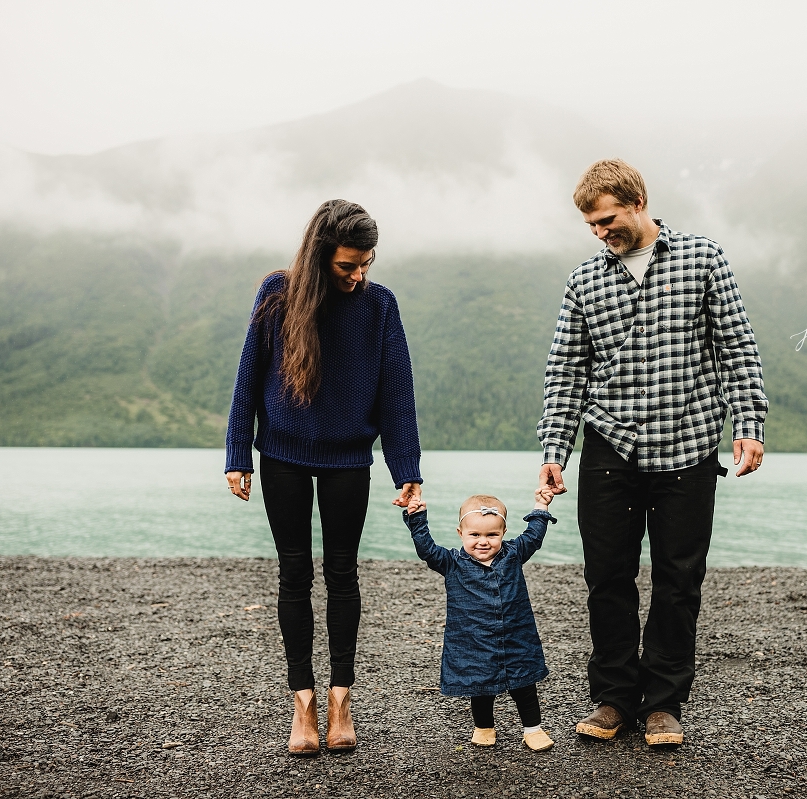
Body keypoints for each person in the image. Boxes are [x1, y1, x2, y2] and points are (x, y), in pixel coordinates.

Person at [537, 159, 768, 747]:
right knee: (606, 577)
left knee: (678, 580)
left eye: (607, 220)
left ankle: (663, 702)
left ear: (637, 202)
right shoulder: (584, 281)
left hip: (688, 444)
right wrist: (555, 449)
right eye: (591, 226)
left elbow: (736, 347)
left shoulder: (703, 258)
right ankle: (614, 697)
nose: (600, 233)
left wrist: (749, 424)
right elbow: (566, 371)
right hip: (608, 447)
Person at [224, 199, 424, 756]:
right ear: (318, 257)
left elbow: (397, 393)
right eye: (346, 266)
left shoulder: (380, 305)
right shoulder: (277, 294)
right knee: (294, 574)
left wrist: (406, 468)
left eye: (366, 264)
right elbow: (248, 377)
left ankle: (340, 699)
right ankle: (303, 702)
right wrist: (238, 454)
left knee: (342, 573)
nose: (358, 276)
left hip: (348, 460)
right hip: (282, 456)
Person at [402, 490, 558, 752]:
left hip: (516, 636)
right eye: (474, 535)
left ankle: (533, 729)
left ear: (503, 532)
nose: (483, 542)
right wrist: (417, 517)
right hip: (473, 640)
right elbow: (427, 549)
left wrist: (541, 505)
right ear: (460, 533)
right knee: (480, 686)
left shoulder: (514, 554)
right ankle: (484, 727)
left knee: (524, 684)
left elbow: (534, 535)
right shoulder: (451, 563)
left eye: (492, 535)